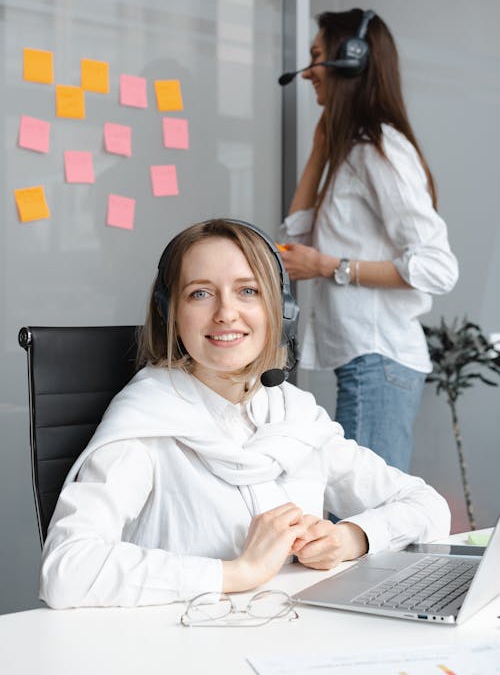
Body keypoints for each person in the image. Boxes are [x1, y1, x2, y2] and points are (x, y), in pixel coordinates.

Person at [39, 218, 450, 609]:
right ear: (170, 312)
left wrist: (352, 537)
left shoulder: (296, 416)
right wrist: (237, 572)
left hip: (291, 638)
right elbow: (65, 570)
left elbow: (426, 506)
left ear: (280, 310)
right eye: (200, 293)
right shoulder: (146, 423)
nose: (226, 313)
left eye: (248, 291)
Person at [280, 8, 459, 473]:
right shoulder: (350, 152)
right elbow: (293, 244)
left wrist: (328, 267)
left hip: (378, 361)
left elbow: (436, 267)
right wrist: (319, 151)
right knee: (354, 517)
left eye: (316, 57)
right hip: (366, 362)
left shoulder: (378, 150)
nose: (306, 73)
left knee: (360, 525)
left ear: (351, 61)